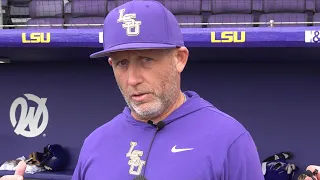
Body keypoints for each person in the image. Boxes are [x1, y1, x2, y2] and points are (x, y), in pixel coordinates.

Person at [0, 0, 264, 179]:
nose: (132, 79)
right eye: (122, 63)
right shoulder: (96, 143)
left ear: (180, 59)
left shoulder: (229, 140)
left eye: (146, 60)